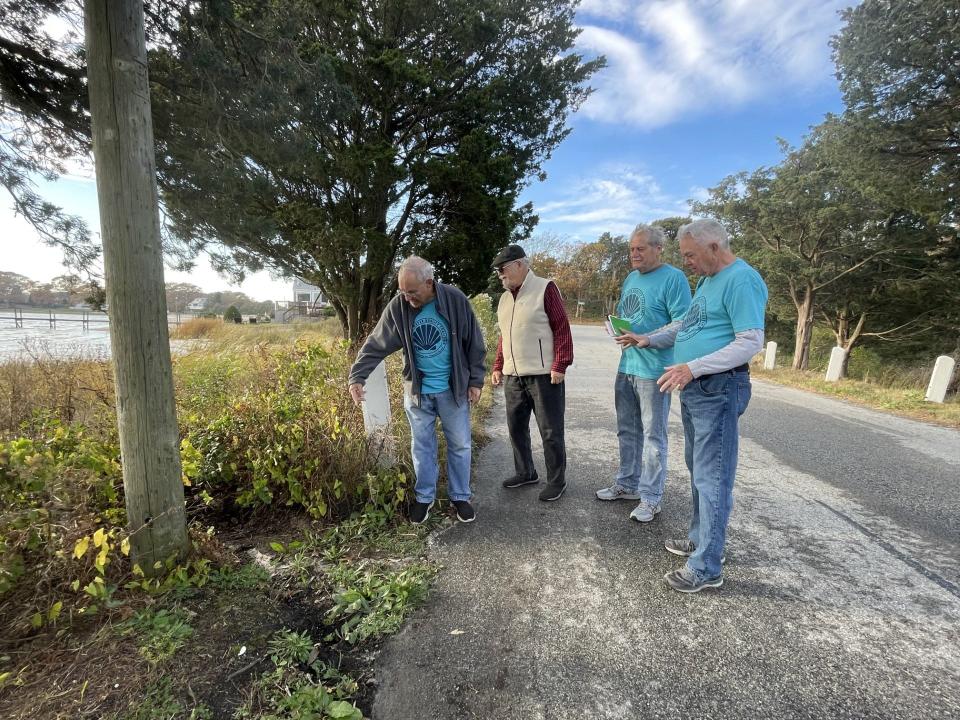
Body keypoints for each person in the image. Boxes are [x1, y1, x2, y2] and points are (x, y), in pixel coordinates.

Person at [623, 219, 767, 593]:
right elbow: (685, 325)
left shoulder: (741, 279)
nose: (687, 261)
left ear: (715, 246)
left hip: (718, 387)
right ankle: (702, 541)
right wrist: (646, 339)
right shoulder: (706, 280)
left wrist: (694, 366)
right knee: (699, 470)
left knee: (712, 476)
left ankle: (706, 566)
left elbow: (750, 340)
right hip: (697, 388)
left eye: (690, 254)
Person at [347, 256, 486, 525]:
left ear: (429, 283)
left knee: (459, 444)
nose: (407, 297)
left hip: (453, 389)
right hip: (418, 391)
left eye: (412, 291)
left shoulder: (455, 300)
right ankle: (424, 497)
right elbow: (377, 343)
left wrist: (476, 381)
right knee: (421, 446)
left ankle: (460, 496)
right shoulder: (399, 307)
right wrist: (357, 376)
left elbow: (475, 343)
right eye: (402, 291)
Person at [597, 225, 691, 523]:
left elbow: (682, 323)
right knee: (627, 430)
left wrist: (647, 338)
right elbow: (632, 316)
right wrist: (619, 328)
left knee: (653, 436)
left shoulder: (674, 278)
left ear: (658, 248)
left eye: (640, 248)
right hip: (627, 365)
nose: (634, 254)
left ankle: (651, 498)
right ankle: (627, 484)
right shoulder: (630, 278)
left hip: (655, 370)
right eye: (631, 249)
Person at [490, 244, 573, 502]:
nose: (500, 275)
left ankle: (557, 481)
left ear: (519, 264)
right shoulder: (505, 298)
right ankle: (525, 472)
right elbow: (506, 335)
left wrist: (561, 363)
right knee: (515, 427)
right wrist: (497, 365)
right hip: (513, 375)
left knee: (550, 430)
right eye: (497, 272)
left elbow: (561, 327)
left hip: (544, 375)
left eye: (503, 269)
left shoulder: (545, 288)